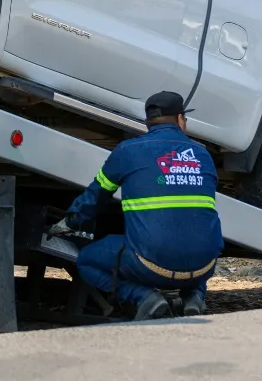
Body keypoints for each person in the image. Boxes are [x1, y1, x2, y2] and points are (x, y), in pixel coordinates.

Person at [49, 91, 224, 320]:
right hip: (205, 266)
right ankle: (194, 297)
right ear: (181, 119)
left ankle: (144, 298)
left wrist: (70, 221)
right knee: (192, 240)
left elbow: (95, 197)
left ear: (147, 122)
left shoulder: (128, 151)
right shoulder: (203, 155)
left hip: (149, 267)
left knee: (87, 260)